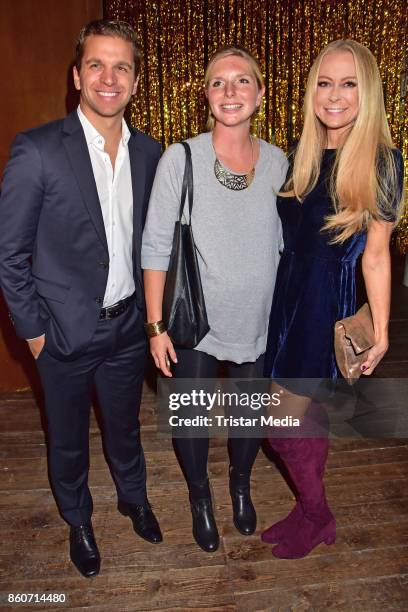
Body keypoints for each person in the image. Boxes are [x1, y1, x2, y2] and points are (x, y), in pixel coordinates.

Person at [0, 20, 163, 578]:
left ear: (136, 80)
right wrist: (34, 331)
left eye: (122, 66)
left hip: (127, 329)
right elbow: (10, 253)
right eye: (96, 64)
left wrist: (150, 317)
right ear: (77, 76)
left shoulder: (151, 154)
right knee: (67, 440)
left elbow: (154, 245)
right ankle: (78, 519)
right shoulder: (38, 149)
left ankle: (133, 498)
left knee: (126, 428)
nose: (109, 77)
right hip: (62, 334)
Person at [261, 39, 404, 559]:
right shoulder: (302, 154)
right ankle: (305, 507)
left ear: (366, 93)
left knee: (278, 424)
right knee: (302, 414)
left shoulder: (383, 160)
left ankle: (319, 515)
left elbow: (378, 255)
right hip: (286, 296)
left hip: (324, 304)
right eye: (324, 82)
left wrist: (382, 330)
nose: (335, 95)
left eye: (348, 84)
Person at [142, 46, 288, 552]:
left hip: (259, 320)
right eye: (219, 82)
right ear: (207, 95)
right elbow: (156, 245)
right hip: (195, 323)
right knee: (191, 419)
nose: (231, 91)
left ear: (260, 94)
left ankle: (240, 485)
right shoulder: (180, 158)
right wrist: (156, 327)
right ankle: (200, 495)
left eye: (242, 80)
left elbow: (288, 246)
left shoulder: (278, 163)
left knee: (250, 416)